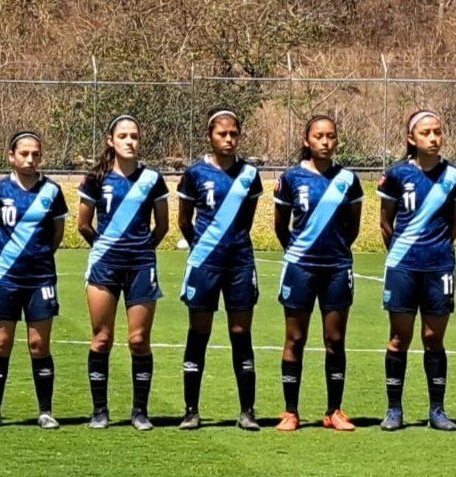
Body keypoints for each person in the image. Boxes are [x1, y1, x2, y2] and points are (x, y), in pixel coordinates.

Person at [377, 110, 456, 432]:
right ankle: (394, 410)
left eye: (438, 132)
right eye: (426, 132)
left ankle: (437, 410)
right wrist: (404, 252)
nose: (433, 138)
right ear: (411, 138)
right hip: (403, 266)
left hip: (439, 267)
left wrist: (436, 249)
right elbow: (385, 223)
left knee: (433, 338)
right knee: (398, 338)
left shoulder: (455, 177)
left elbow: (455, 225)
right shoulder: (397, 174)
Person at [78, 114, 170, 431]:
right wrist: (105, 250)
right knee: (102, 339)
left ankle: (140, 412)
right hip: (105, 266)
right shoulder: (95, 178)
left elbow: (163, 226)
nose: (130, 141)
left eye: (134, 135)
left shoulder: (152, 180)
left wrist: (142, 250)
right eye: (123, 136)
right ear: (110, 141)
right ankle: (100, 411)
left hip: (141, 265)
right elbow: (83, 224)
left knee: (139, 339)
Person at [273, 115, 364, 432]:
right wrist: (300, 252)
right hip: (300, 267)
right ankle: (290, 411)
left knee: (335, 339)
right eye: (319, 136)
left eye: (331, 137)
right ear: (306, 141)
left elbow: (352, 227)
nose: (325, 142)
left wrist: (335, 251)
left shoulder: (349, 180)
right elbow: (280, 226)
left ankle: (333, 411)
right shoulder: (291, 179)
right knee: (295, 338)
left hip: (337, 268)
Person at [177, 109, 264, 431]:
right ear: (209, 136)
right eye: (222, 134)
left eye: (233, 134)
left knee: (241, 334)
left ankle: (247, 411)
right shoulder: (195, 173)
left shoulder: (249, 175)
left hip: (240, 263)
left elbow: (248, 219)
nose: (228, 140)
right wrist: (202, 247)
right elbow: (184, 220)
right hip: (205, 264)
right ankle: (191, 410)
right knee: (199, 333)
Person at [0, 131, 67, 429]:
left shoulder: (52, 192)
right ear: (11, 156)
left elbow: (56, 236)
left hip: (40, 278)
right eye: (24, 154)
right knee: (1, 343)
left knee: (39, 344)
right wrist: (6, 260)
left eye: (36, 154)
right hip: (5, 278)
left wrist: (37, 258)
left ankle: (45, 411)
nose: (30, 159)